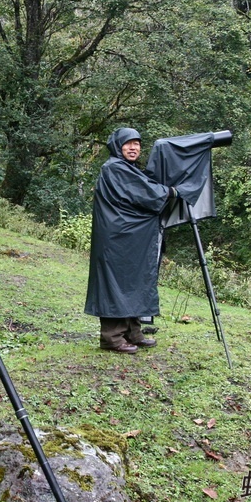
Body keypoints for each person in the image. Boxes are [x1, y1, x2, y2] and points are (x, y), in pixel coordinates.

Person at [84, 127, 177, 354]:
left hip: (127, 238)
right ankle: (112, 337)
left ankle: (133, 332)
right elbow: (147, 194)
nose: (134, 147)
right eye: (128, 143)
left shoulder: (128, 168)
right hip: (115, 239)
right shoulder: (114, 168)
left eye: (137, 144)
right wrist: (171, 192)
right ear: (118, 146)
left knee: (133, 281)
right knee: (116, 284)